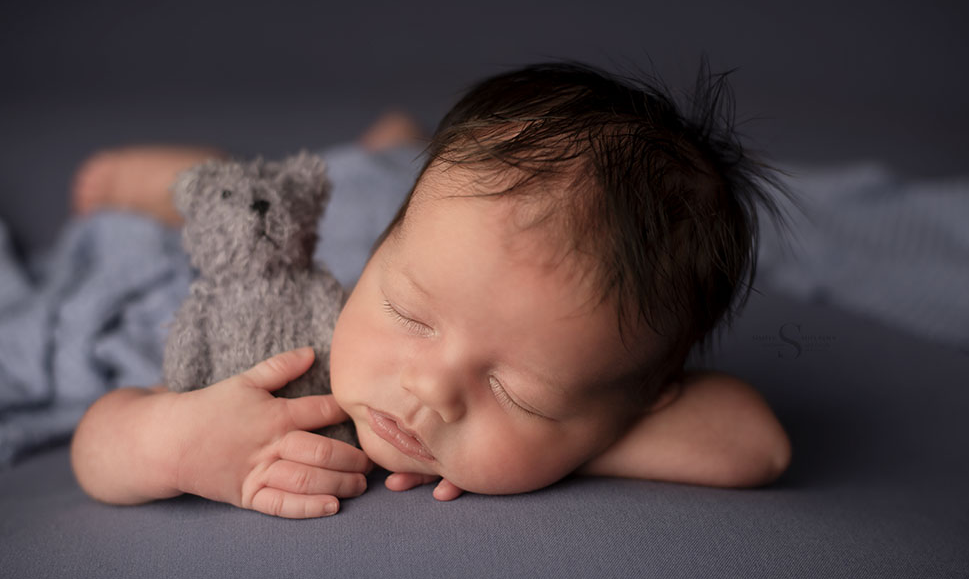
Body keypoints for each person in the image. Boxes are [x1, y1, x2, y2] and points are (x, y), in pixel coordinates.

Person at [70, 61, 794, 519]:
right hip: (336, 215)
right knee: (270, 208)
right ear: (379, 260)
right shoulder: (289, 344)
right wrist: (174, 440)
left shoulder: (584, 384)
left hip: (423, 225)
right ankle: (204, 176)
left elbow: (756, 446)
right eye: (409, 316)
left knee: (385, 174)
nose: (431, 390)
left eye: (520, 394)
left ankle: (392, 149)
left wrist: (547, 448)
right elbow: (99, 441)